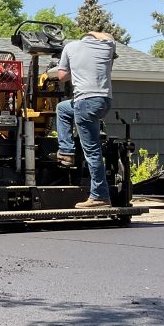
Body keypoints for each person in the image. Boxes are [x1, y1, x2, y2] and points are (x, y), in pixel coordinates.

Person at [55, 31, 117, 209]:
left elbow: (61, 76)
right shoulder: (107, 46)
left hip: (85, 102)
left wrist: (74, 69)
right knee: (63, 108)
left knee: (92, 151)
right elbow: (109, 36)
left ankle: (100, 196)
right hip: (104, 101)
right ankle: (66, 151)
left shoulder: (71, 47)